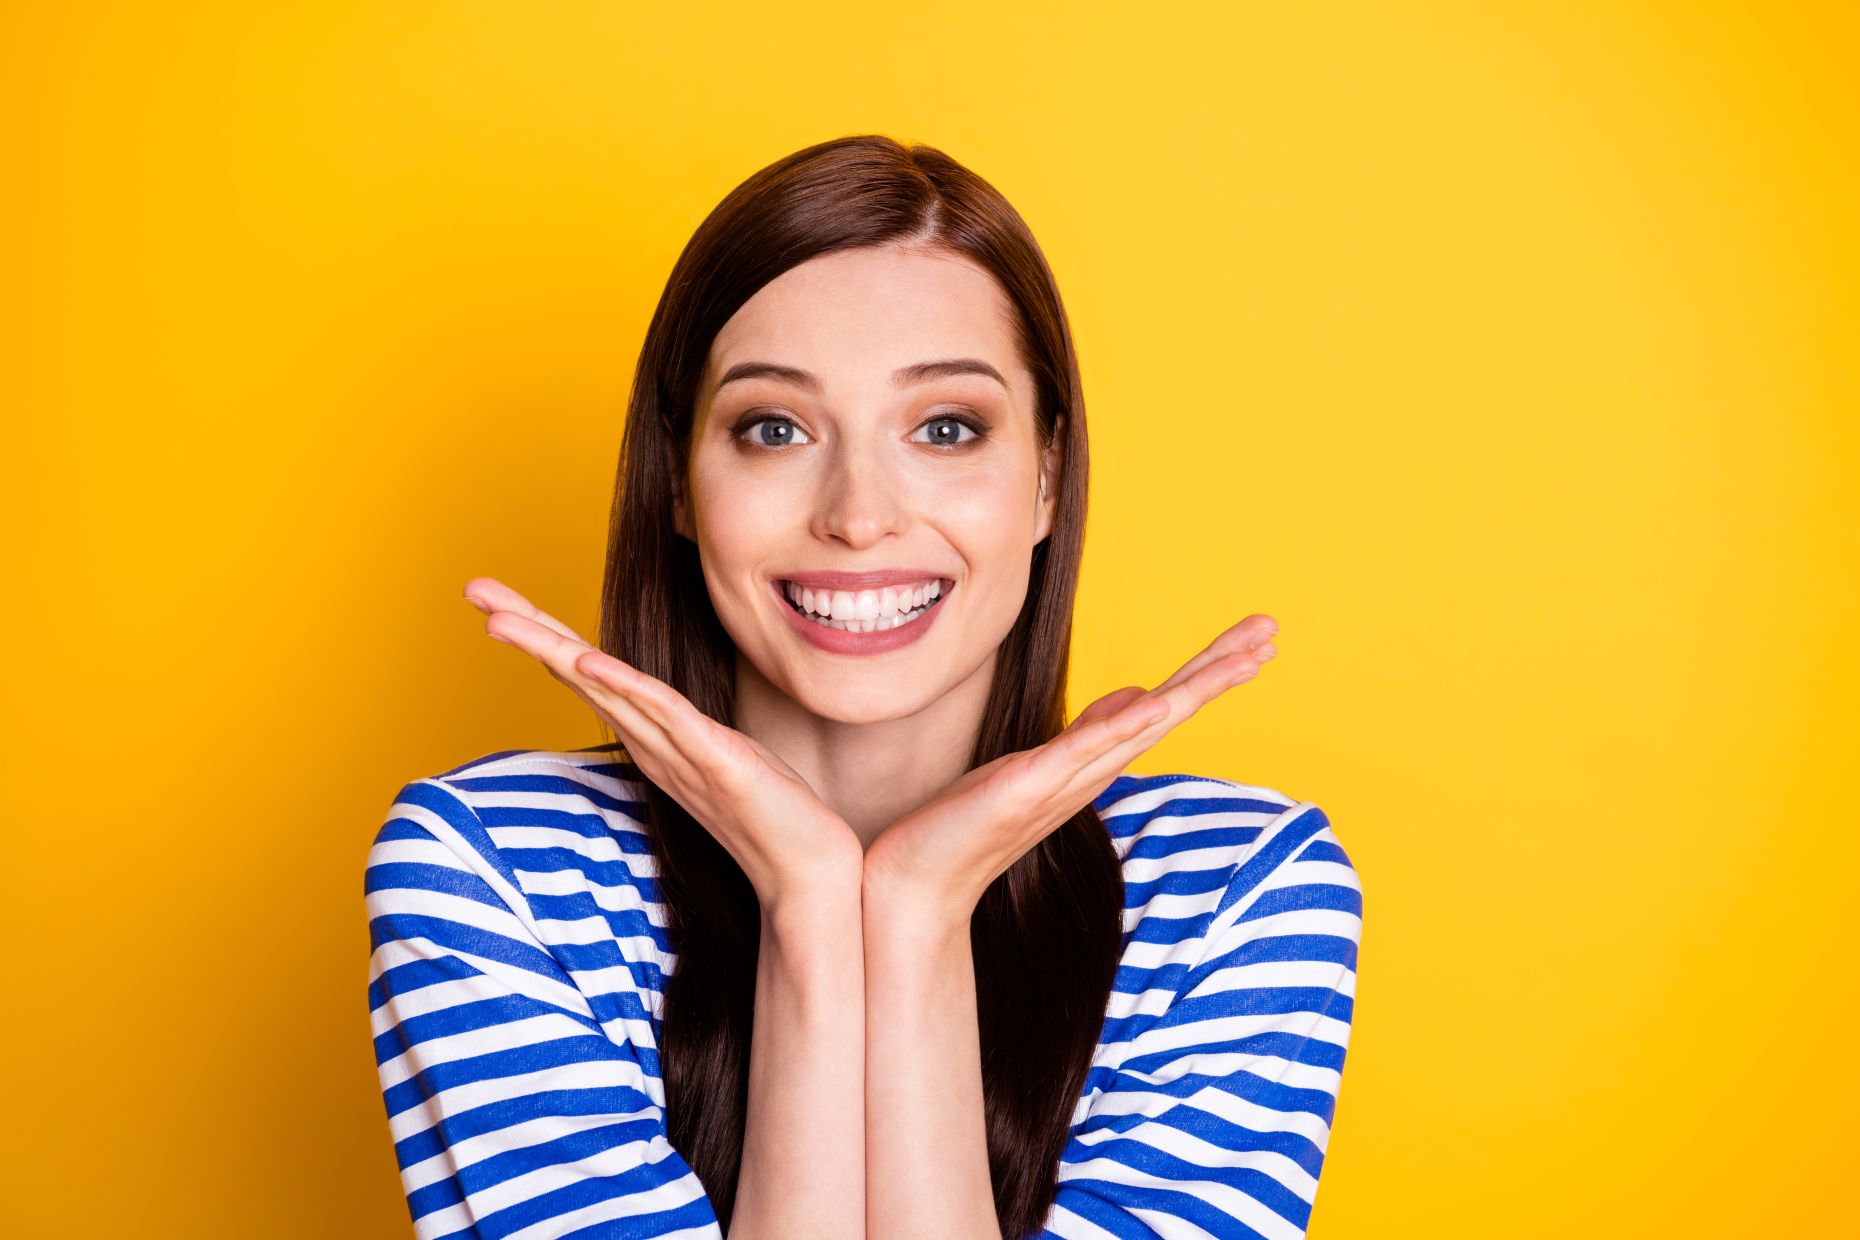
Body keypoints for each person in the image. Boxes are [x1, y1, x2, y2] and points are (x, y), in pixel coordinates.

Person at [363, 134, 1362, 1240]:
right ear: (683, 485)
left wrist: (918, 911)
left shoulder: (1230, 892)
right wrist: (809, 906)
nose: (858, 513)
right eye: (773, 428)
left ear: (1046, 480)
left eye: (945, 427)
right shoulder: (494, 871)